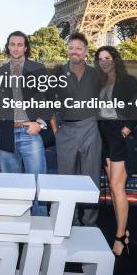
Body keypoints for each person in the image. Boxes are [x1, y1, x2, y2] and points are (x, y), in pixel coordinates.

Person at [0, 31, 49, 216]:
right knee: (11, 187)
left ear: (25, 47)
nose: (15, 48)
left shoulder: (38, 69)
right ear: (8, 47)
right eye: (12, 44)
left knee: (38, 185)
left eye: (19, 44)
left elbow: (48, 99)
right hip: (7, 134)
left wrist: (39, 123)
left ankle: (39, 231)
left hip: (30, 132)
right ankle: (15, 227)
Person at [94, 45, 137, 256]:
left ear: (115, 59)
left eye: (107, 57)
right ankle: (123, 230)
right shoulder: (100, 82)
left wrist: (124, 130)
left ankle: (120, 236)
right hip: (103, 136)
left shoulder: (127, 81)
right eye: (100, 58)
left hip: (117, 136)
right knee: (114, 190)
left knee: (116, 187)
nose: (104, 61)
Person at [52, 32, 102, 226]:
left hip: (91, 128)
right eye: (71, 47)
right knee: (66, 179)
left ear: (86, 52)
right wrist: (56, 130)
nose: (74, 51)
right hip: (66, 130)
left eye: (78, 48)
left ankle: (89, 222)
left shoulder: (96, 73)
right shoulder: (58, 72)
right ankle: (68, 221)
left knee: (91, 178)